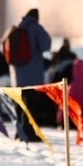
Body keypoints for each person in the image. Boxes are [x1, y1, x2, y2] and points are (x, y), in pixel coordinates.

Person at [7, 8, 52, 142]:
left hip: (16, 75)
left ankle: (19, 132)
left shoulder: (15, 29)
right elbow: (46, 45)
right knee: (31, 105)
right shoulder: (35, 28)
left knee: (20, 105)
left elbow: (3, 48)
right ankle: (29, 133)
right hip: (33, 75)